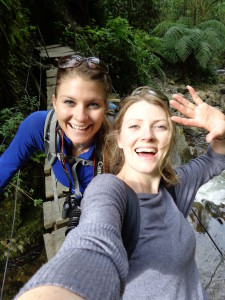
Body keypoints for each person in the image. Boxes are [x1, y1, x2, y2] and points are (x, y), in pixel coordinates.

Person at [15, 86, 225, 299]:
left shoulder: (174, 187)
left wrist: (222, 129)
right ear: (119, 139)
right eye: (135, 126)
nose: (148, 136)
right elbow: (92, 245)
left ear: (170, 137)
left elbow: (213, 160)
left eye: (160, 127)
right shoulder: (108, 190)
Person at [0, 54, 112, 229]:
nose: (80, 117)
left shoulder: (120, 142)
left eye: (93, 104)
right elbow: (4, 168)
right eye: (69, 102)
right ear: (55, 103)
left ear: (105, 107)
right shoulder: (39, 127)